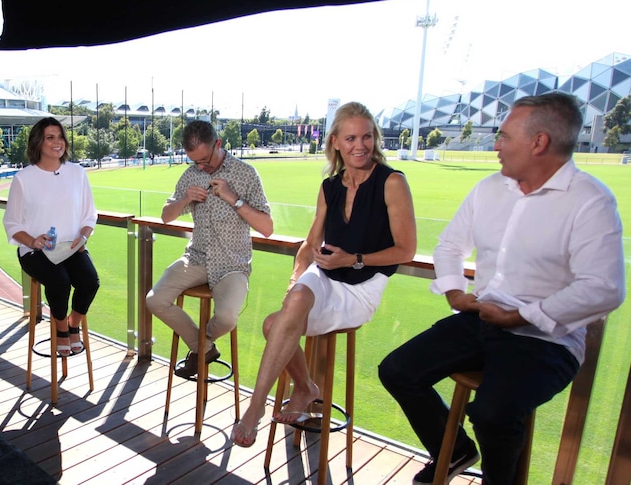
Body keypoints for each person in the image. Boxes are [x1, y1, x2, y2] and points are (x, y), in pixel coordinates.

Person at [378, 92, 625, 484]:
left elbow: (605, 289)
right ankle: (456, 450)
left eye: (505, 136)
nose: (496, 145)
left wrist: (520, 315)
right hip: (481, 318)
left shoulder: (590, 201)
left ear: (538, 142)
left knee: (493, 412)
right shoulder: (489, 189)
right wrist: (454, 291)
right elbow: (450, 245)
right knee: (397, 370)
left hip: (547, 339)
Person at [232, 101, 417, 447]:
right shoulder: (330, 186)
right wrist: (294, 280)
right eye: (350, 138)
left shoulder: (391, 182)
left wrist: (353, 259)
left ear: (374, 138)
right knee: (290, 305)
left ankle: (267, 404)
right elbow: (310, 244)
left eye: (366, 137)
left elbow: (406, 250)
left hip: (362, 285)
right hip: (325, 273)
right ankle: (280, 398)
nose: (359, 146)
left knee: (274, 325)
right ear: (335, 142)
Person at [146, 120, 273, 380]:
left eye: (205, 159)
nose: (202, 167)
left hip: (233, 263)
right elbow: (166, 216)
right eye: (196, 162)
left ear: (218, 144)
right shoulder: (191, 175)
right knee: (154, 300)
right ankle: (204, 348)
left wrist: (234, 199)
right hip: (196, 257)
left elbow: (267, 228)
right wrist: (185, 199)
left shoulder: (245, 173)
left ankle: (199, 346)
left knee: (227, 318)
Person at [3, 117, 99, 358]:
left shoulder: (77, 173)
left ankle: (73, 323)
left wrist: (83, 238)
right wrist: (33, 240)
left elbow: (90, 215)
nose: (58, 142)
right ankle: (60, 327)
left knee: (90, 281)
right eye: (50, 137)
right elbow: (12, 223)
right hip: (35, 251)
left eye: (60, 137)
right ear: (38, 142)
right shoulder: (23, 179)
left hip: (71, 248)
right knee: (60, 282)